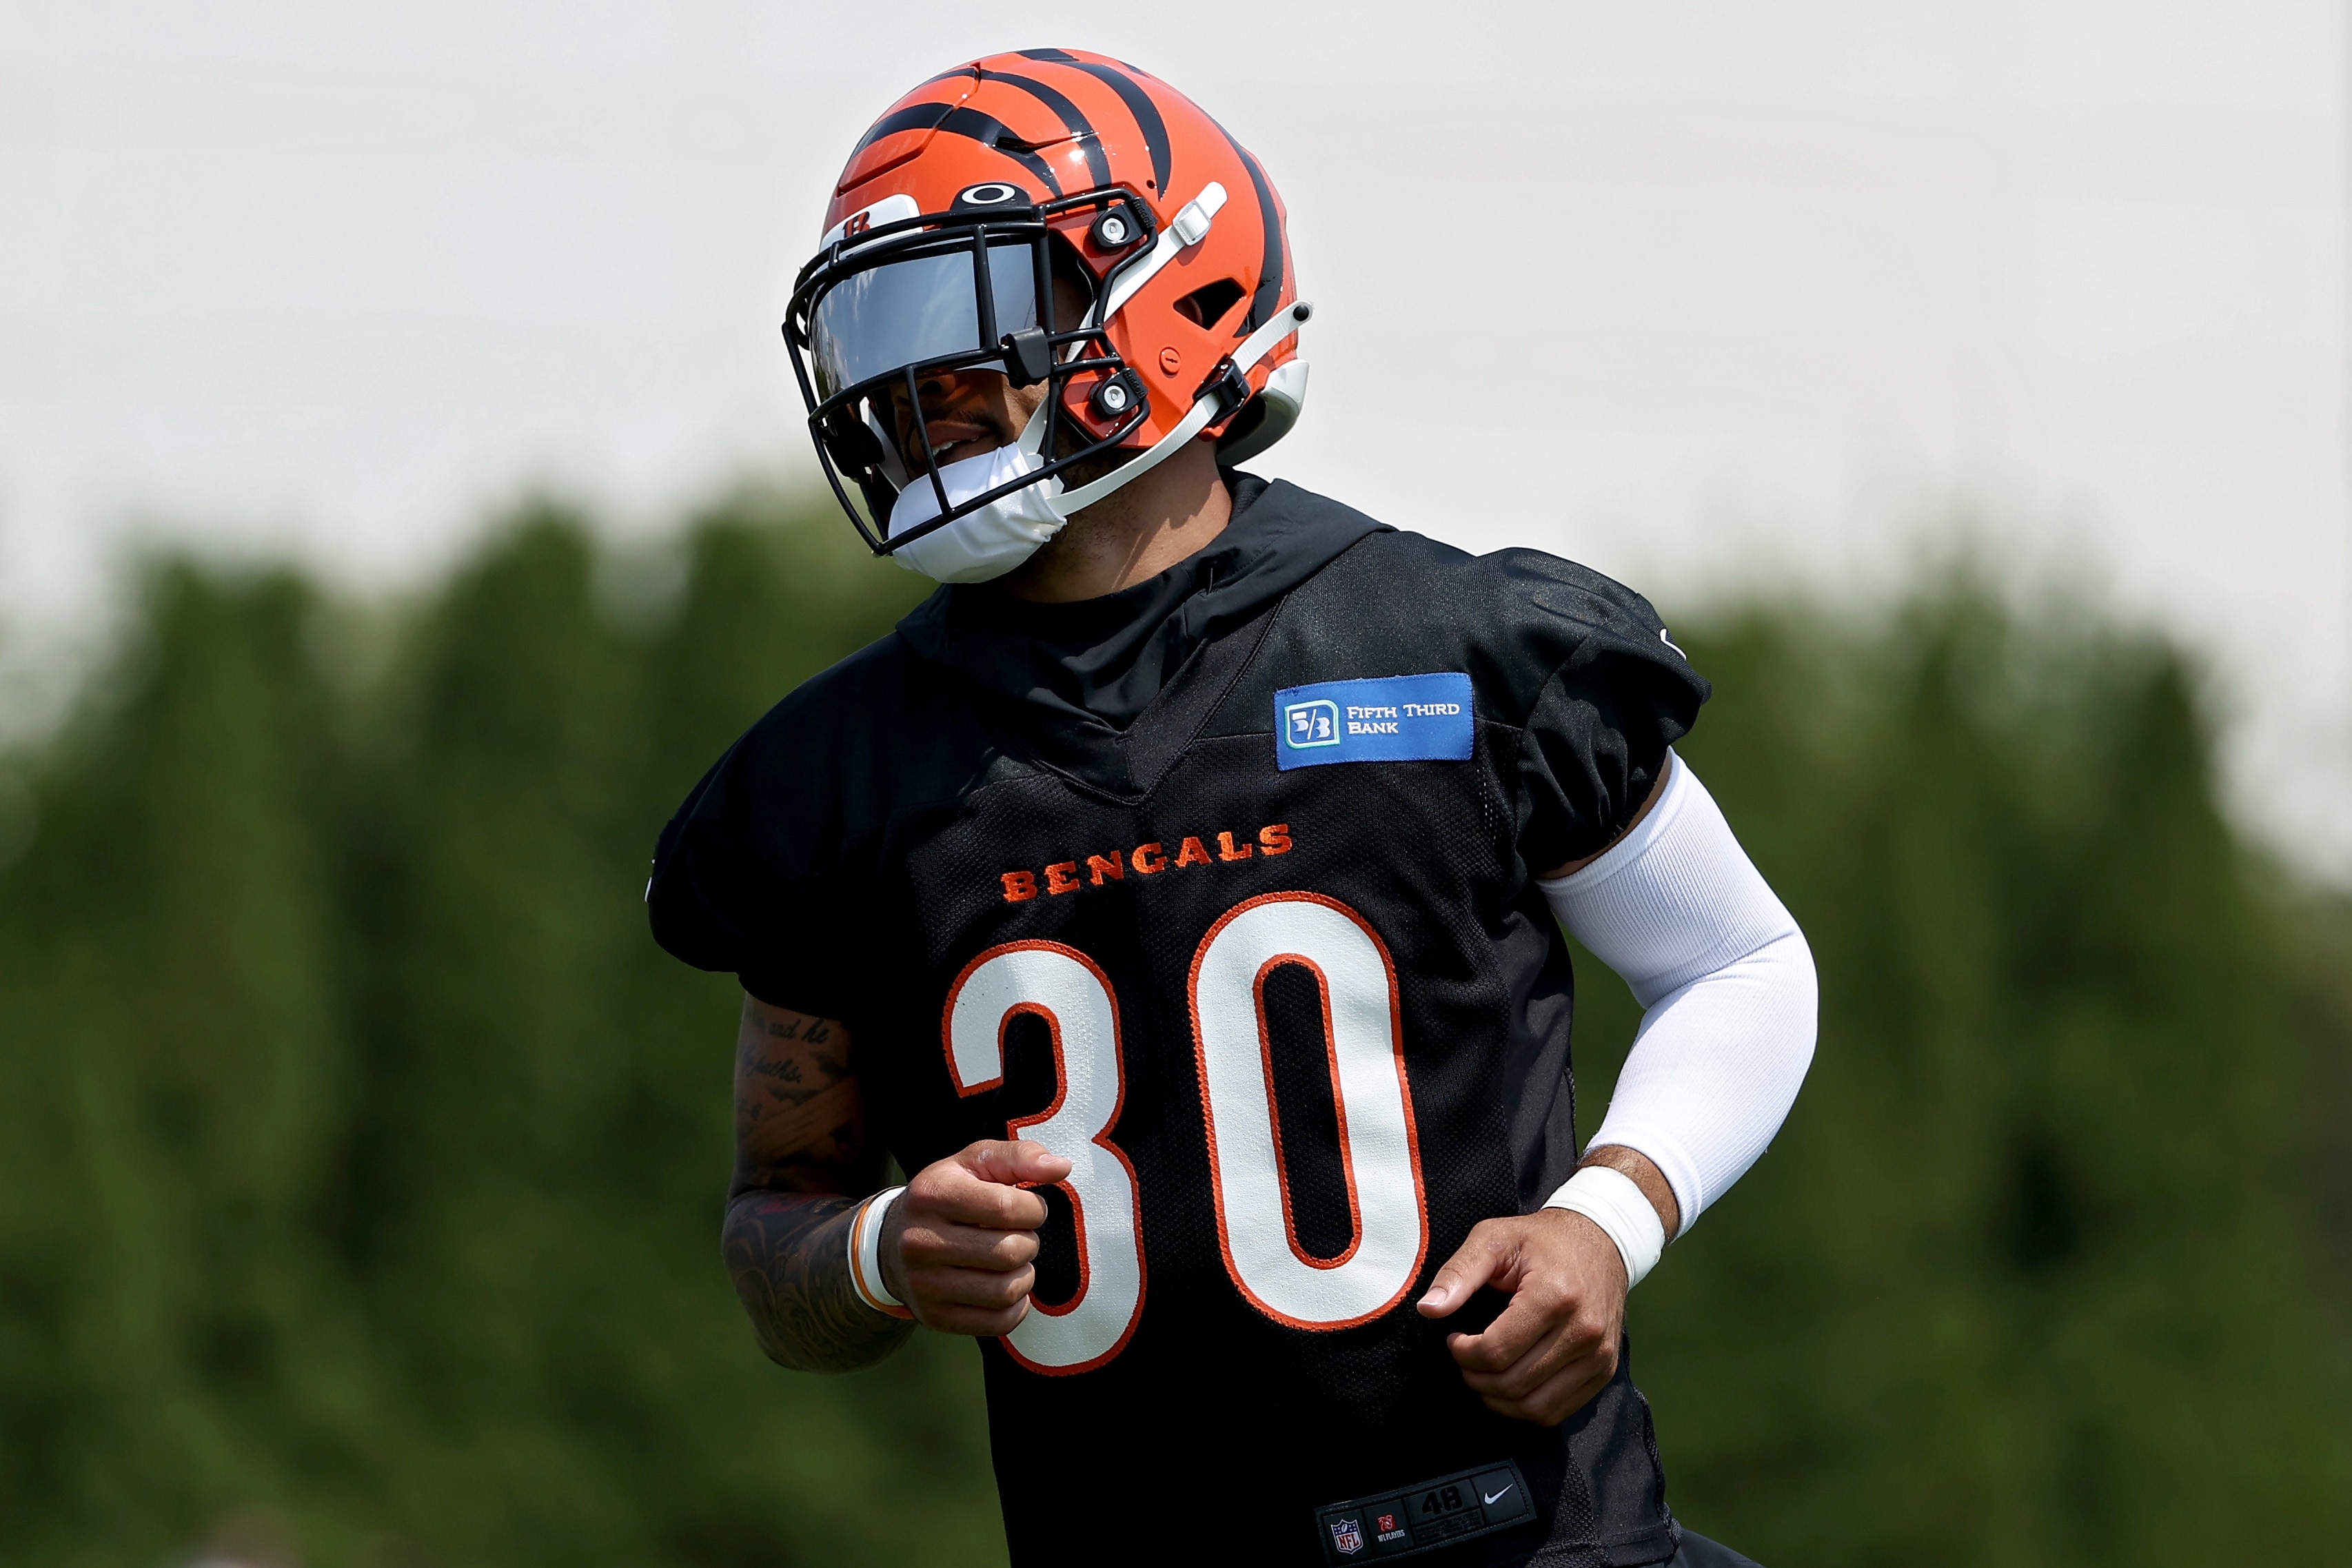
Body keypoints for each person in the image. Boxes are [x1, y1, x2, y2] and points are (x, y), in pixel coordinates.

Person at [648, 48, 1816, 1567]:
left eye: (967, 317)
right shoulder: (832, 781)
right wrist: (877, 1251)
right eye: (881, 333)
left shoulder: (1453, 648)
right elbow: (774, 1233)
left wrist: (1609, 1214)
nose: (913, 391)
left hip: (1526, 1538)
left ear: (1170, 293)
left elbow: (1734, 963)